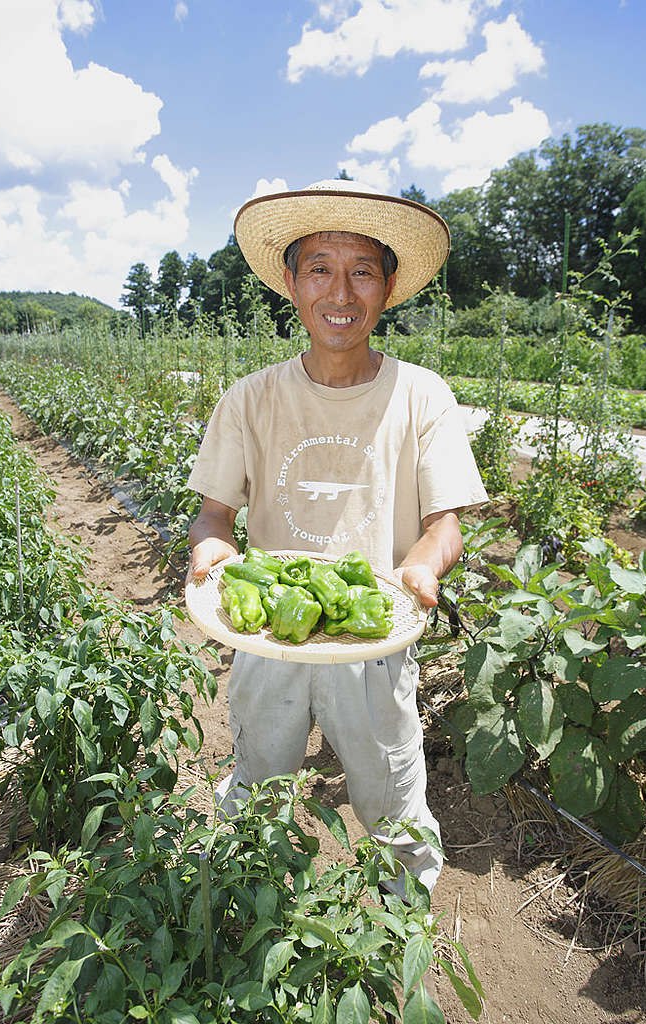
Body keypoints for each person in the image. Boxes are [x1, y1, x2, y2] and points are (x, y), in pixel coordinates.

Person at [186, 179, 487, 899]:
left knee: (389, 790)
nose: (339, 291)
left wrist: (419, 564)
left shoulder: (421, 394)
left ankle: (404, 912)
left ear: (386, 287)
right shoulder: (251, 398)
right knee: (258, 776)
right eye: (319, 267)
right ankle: (246, 892)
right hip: (269, 635)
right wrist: (211, 551)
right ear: (290, 283)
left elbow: (444, 521)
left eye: (361, 270)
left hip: (375, 634)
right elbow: (213, 514)